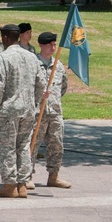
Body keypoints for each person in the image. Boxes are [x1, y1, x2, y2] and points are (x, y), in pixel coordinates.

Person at [0, 24, 47, 198]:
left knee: (7, 148)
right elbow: (41, 84)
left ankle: (9, 185)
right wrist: (34, 103)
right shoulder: (31, 57)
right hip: (27, 110)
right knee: (23, 147)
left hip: (8, 110)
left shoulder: (3, 58)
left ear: (5, 38)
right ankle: (22, 184)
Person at [33, 32, 71, 189]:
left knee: (56, 144)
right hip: (37, 112)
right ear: (41, 45)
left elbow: (63, 86)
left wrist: (53, 101)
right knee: (32, 143)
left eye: (54, 45)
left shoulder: (58, 65)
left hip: (54, 112)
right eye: (50, 45)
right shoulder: (33, 63)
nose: (53, 47)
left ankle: (53, 176)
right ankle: (26, 176)